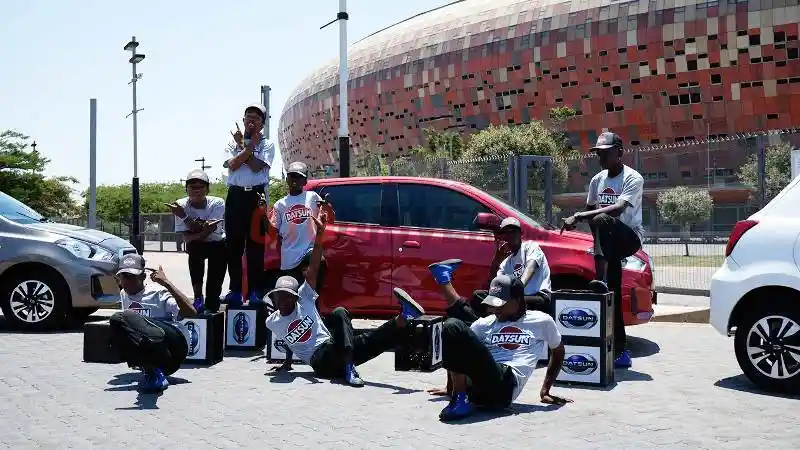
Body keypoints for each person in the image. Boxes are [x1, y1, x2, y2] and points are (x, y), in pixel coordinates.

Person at [265, 210, 425, 387]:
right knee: (364, 341)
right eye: (280, 296)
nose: (283, 301)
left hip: (333, 347)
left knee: (360, 332)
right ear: (274, 296)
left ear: (296, 297)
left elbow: (314, 269)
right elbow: (287, 340)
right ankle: (351, 366)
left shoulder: (305, 298)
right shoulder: (272, 321)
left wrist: (319, 235)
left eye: (288, 297)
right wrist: (287, 364)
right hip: (321, 361)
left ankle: (403, 319)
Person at [426, 260, 571, 422]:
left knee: (455, 324)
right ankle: (460, 399)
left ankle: (460, 400)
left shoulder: (541, 321)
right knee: (452, 327)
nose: (495, 310)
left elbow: (558, 351)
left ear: (517, 300)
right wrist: (450, 387)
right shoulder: (485, 323)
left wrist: (545, 390)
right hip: (478, 392)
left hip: (504, 386)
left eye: (500, 305)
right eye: (493, 305)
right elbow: (458, 351)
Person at [560, 131, 644, 369]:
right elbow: (591, 214)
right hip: (609, 245)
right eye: (598, 153)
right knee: (613, 296)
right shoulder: (597, 180)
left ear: (619, 153)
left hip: (629, 238)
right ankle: (621, 351)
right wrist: (585, 217)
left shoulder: (632, 178)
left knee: (604, 218)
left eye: (606, 153)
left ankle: (600, 278)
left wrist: (578, 216)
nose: (601, 158)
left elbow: (616, 210)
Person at [108, 254, 197, 392]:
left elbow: (191, 312)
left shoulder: (158, 293)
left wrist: (166, 282)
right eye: (124, 276)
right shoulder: (123, 295)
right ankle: (153, 372)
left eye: (132, 276)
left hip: (175, 347)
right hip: (161, 359)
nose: (126, 281)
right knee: (118, 325)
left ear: (143, 277)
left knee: (124, 318)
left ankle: (152, 367)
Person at [222, 103, 275, 307]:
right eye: (248, 117)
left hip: (256, 197)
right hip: (235, 196)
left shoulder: (267, 144)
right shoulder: (231, 140)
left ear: (262, 124)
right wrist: (247, 148)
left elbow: (255, 168)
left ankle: (255, 291)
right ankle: (235, 290)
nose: (251, 121)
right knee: (233, 247)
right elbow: (232, 164)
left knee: (255, 247)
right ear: (243, 120)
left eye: (257, 118)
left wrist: (244, 148)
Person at [165, 169, 226, 313]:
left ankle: (212, 304)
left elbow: (210, 230)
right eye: (192, 187)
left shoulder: (217, 203)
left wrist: (185, 218)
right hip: (196, 246)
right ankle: (198, 297)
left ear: (207, 189)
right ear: (186, 189)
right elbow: (186, 237)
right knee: (195, 253)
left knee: (215, 279)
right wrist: (200, 229)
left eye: (201, 187)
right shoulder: (180, 205)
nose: (197, 191)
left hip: (217, 243)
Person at [470, 217, 552, 317]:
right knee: (478, 296)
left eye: (514, 231)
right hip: (514, 299)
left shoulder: (530, 247)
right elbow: (494, 284)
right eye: (506, 232)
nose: (510, 235)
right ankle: (485, 328)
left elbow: (531, 268)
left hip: (537, 297)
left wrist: (518, 288)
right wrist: (497, 259)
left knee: (506, 303)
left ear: (520, 233)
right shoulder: (506, 262)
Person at [270, 161, 335, 287]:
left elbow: (330, 218)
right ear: (287, 179)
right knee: (292, 295)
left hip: (309, 252)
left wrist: (327, 207)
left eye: (299, 177)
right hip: (289, 258)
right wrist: (262, 214)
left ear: (305, 181)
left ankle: (313, 301)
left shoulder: (312, 197)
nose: (295, 180)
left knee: (312, 287)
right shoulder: (280, 205)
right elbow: (272, 231)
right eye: (292, 176)